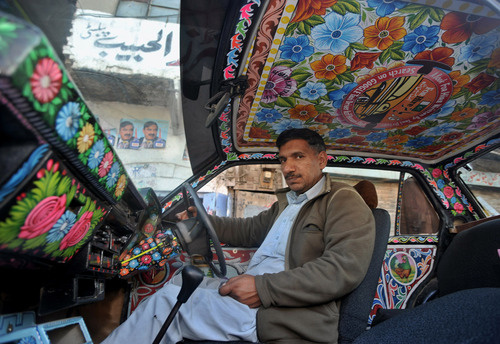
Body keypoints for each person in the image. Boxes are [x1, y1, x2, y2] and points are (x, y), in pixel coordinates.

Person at [103, 128, 375, 343]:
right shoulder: (289, 204)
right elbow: (246, 230)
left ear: (322, 159)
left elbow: (342, 269)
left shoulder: (341, 200)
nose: (288, 168)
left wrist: (262, 288)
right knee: (176, 285)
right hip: (253, 292)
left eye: (298, 157)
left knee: (167, 304)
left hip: (280, 313)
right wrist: (200, 219)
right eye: (283, 159)